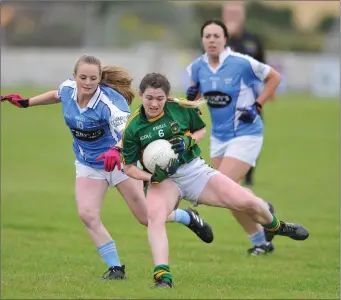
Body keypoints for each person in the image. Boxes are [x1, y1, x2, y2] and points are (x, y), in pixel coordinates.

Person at [0, 55, 214, 280]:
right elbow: (56, 95)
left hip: (120, 163)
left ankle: (186, 217)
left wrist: (116, 150)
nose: (88, 82)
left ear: (100, 78)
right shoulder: (68, 89)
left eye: (93, 78)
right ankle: (116, 268)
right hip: (88, 164)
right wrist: (27, 102)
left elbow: (129, 131)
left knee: (146, 217)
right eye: (83, 77)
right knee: (87, 214)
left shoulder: (109, 103)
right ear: (74, 77)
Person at [121, 72, 309, 288]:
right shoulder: (133, 127)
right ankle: (163, 276)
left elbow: (200, 129)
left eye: (159, 98)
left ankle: (276, 226)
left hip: (194, 171)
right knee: (154, 217)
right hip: (163, 181)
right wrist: (151, 177)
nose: (154, 103)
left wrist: (187, 140)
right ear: (140, 95)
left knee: (249, 203)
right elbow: (129, 168)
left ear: (167, 97)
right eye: (149, 98)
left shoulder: (180, 108)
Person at [185, 19, 280, 256]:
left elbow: (274, 77)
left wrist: (257, 106)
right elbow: (196, 96)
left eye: (217, 36)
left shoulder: (241, 63)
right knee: (230, 196)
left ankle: (263, 208)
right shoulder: (197, 67)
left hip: (246, 134)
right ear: (202, 40)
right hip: (219, 137)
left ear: (225, 39)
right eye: (207, 36)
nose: (212, 40)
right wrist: (192, 96)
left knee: (224, 188)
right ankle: (260, 241)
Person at [222, 1, 272, 186]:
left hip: (251, 98)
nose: (234, 16)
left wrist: (269, 87)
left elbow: (263, 65)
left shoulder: (253, 40)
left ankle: (248, 176)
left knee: (253, 136)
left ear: (244, 15)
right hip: (226, 100)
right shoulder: (218, 38)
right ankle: (229, 175)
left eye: (237, 13)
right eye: (230, 13)